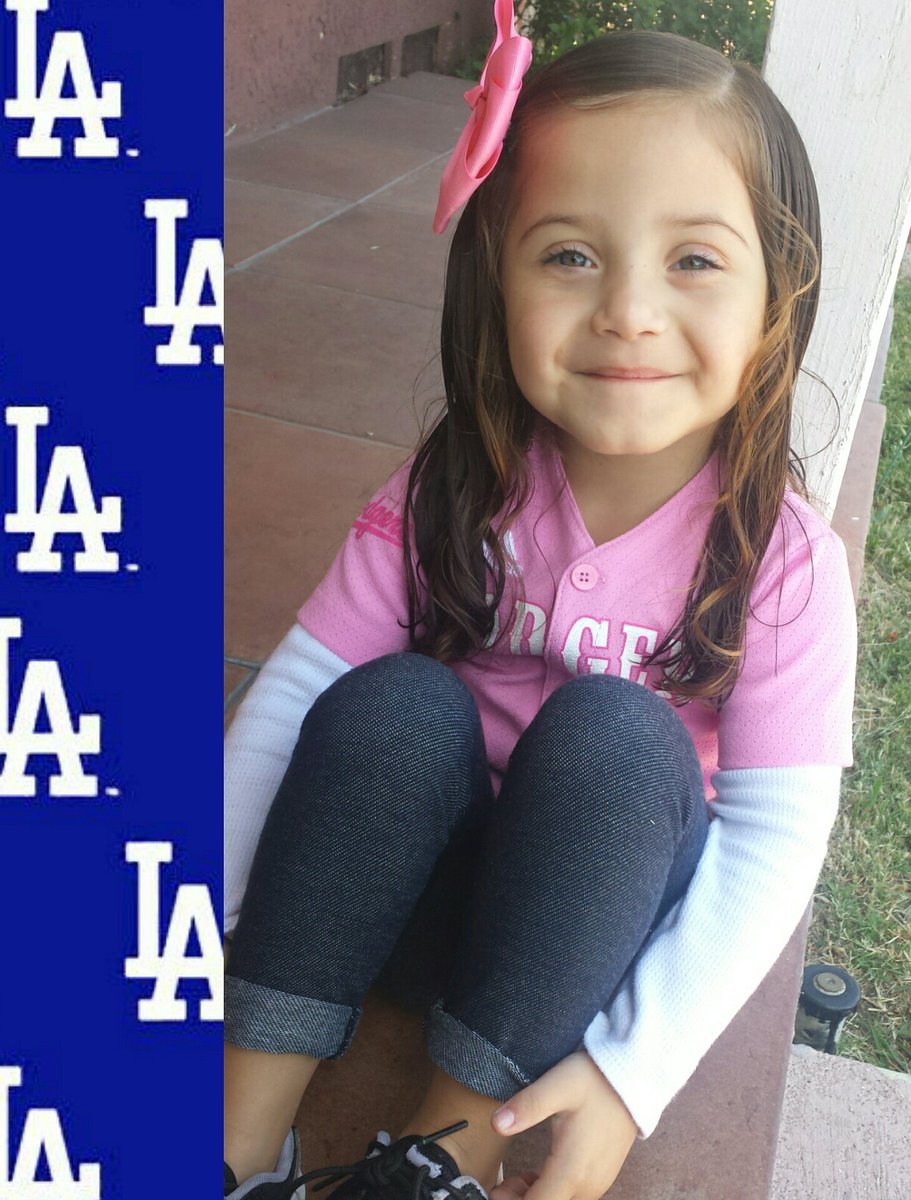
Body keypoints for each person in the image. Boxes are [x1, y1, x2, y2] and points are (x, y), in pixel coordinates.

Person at [222, 18, 856, 1200]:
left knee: (620, 736)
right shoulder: (452, 489)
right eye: (569, 255)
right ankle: (238, 1131)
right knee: (392, 704)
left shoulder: (781, 564)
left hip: (584, 950)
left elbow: (772, 845)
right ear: (492, 278)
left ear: (781, 292)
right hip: (410, 910)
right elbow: (299, 691)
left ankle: (442, 1155)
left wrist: (632, 1074)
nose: (627, 309)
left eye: (695, 260)